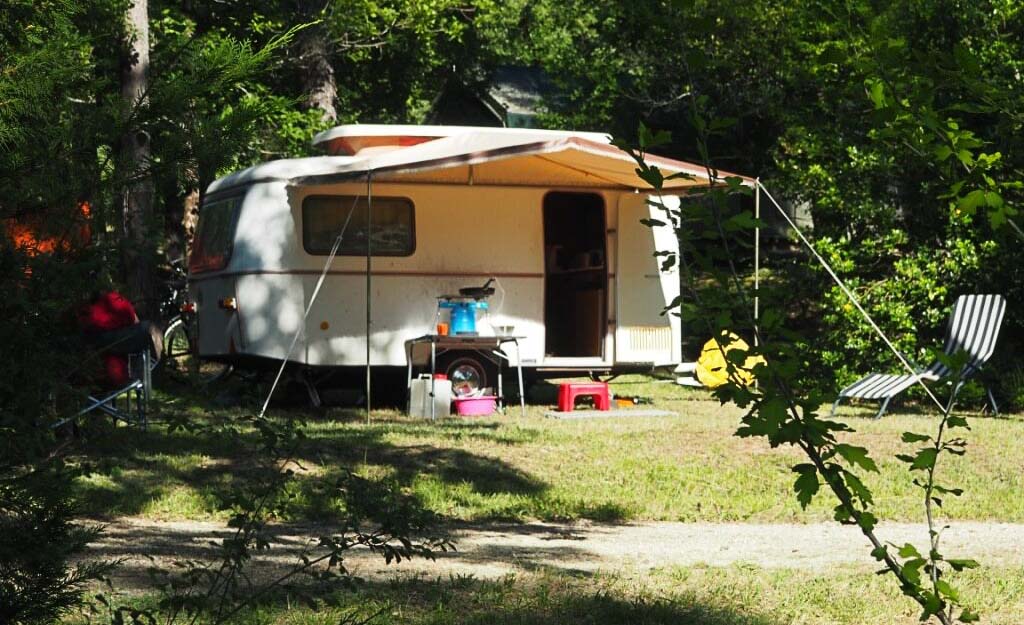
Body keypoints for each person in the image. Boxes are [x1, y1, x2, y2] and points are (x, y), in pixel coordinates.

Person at [78, 290, 162, 387]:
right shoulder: (112, 302)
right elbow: (133, 319)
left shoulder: (92, 310)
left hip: (105, 360)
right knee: (145, 330)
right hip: (110, 365)